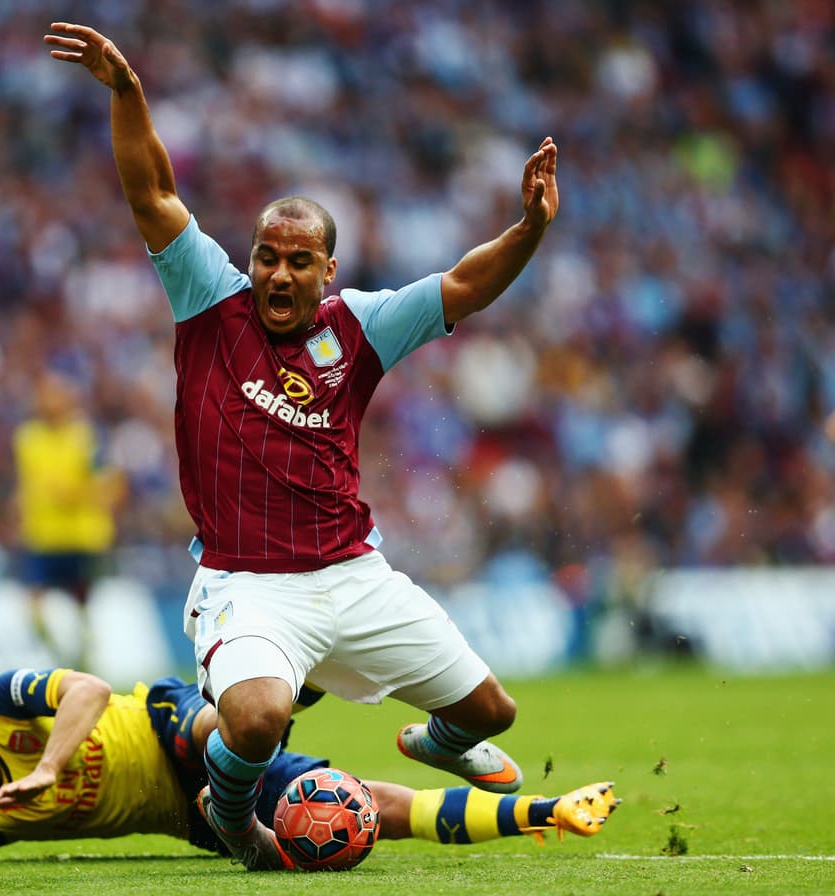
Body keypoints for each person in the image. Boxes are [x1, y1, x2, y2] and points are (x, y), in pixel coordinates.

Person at [45, 21, 561, 870]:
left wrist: (530, 229)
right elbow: (154, 193)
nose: (277, 275)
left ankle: (434, 743)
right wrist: (128, 95)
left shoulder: (361, 325)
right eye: (266, 257)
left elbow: (467, 282)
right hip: (247, 583)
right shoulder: (210, 298)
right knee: (254, 720)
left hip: (353, 573)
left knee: (491, 716)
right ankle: (231, 811)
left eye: (298, 261)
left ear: (328, 270)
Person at [0, 667, 619, 865]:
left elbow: (87, 689)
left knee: (223, 725)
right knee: (349, 817)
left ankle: (312, 666)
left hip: (164, 721)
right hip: (193, 818)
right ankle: (544, 810)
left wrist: (48, 764)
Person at [12, 370, 126, 669]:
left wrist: (78, 495)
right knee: (35, 608)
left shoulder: (86, 436)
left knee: (82, 606)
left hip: (82, 536)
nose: (48, 402)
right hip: (42, 536)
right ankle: (61, 656)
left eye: (55, 395)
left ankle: (85, 658)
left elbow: (110, 483)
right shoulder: (27, 438)